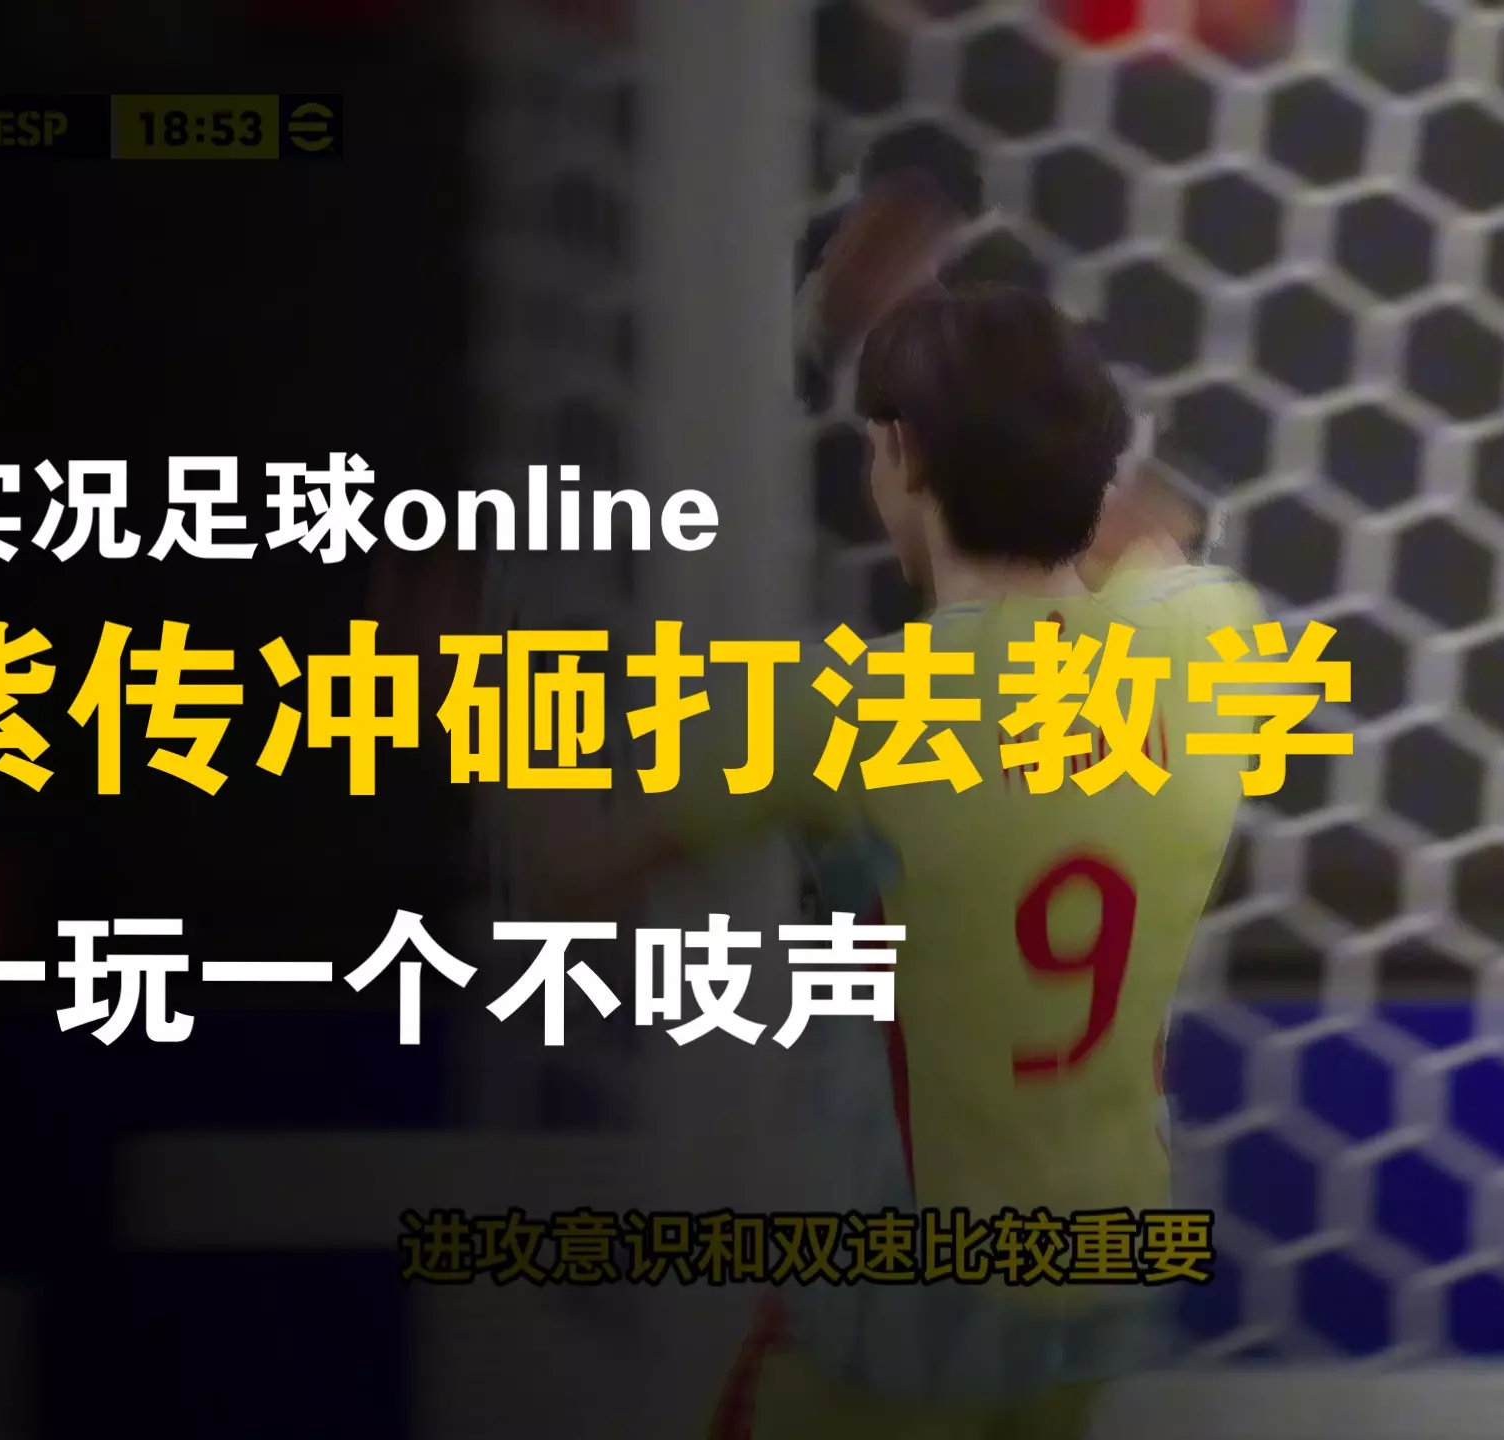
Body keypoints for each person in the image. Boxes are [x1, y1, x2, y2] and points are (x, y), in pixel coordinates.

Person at [526, 277, 1265, 1440]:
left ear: (903, 459)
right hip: (1103, 1258)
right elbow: (1147, 532)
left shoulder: (846, 714)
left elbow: (574, 871)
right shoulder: (1207, 644)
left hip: (909, 1292)